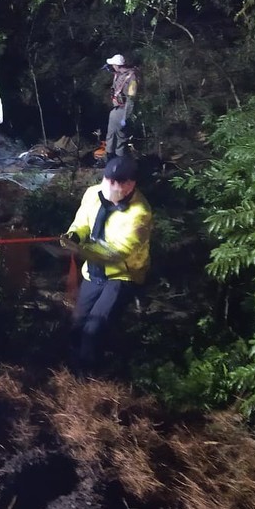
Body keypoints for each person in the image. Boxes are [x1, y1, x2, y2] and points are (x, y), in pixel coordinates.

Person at [59, 156, 152, 377]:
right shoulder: (93, 194)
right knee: (78, 324)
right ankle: (74, 370)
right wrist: (74, 235)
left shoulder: (140, 213)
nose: (110, 185)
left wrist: (81, 250)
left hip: (122, 275)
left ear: (130, 184)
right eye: (108, 179)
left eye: (116, 182)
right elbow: (82, 222)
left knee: (95, 328)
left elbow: (119, 252)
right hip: (93, 271)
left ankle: (89, 377)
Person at [104, 53, 139, 161]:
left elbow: (131, 99)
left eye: (113, 65)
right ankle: (110, 158)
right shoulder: (118, 74)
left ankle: (119, 161)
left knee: (120, 138)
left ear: (117, 65)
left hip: (123, 110)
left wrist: (126, 118)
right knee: (110, 135)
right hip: (115, 110)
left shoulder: (132, 78)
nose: (112, 66)